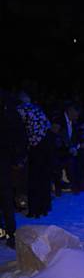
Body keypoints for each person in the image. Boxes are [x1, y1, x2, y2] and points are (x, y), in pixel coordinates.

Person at [17, 92, 54, 218]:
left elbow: (21, 132)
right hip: (47, 142)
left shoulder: (20, 110)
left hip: (36, 146)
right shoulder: (37, 109)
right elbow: (48, 125)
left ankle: (34, 210)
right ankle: (44, 207)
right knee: (44, 177)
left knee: (34, 178)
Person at [0, 89, 28, 249]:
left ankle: (8, 232)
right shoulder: (11, 115)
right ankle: (9, 232)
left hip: (5, 160)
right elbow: (20, 137)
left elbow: (19, 137)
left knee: (5, 197)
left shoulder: (9, 116)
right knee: (5, 197)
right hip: (7, 161)